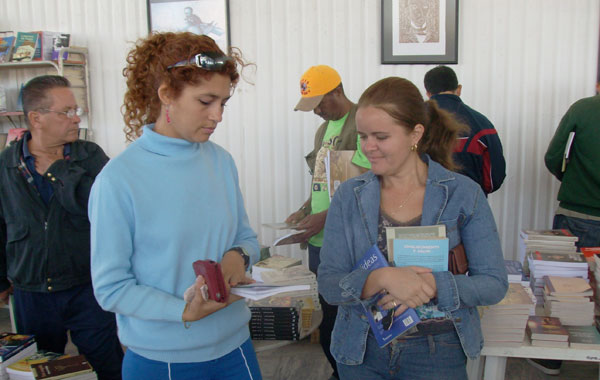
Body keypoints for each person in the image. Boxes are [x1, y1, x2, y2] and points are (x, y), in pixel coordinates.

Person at [88, 32, 262, 380]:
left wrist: (237, 256)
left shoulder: (221, 161)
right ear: (166, 94)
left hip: (236, 347)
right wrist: (182, 311)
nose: (218, 115)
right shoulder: (118, 180)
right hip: (163, 360)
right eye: (206, 101)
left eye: (224, 103)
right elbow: (111, 288)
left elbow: (246, 237)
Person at [318, 77, 508, 379]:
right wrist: (381, 277)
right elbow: (329, 284)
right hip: (362, 350)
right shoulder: (349, 196)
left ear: (415, 134)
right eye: (363, 136)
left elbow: (494, 283)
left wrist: (432, 285)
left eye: (381, 137)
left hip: (437, 353)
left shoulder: (462, 194)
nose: (369, 148)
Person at [0, 75, 123, 380]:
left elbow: (106, 212)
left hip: (87, 286)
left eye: (75, 109)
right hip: (32, 291)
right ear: (36, 118)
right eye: (66, 111)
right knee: (41, 370)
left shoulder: (89, 156)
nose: (76, 118)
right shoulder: (5, 165)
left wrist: (58, 172)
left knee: (108, 365)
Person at [286, 65, 370, 380]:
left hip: (348, 240)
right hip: (321, 240)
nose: (317, 111)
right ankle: (340, 370)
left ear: (338, 91)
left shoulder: (361, 124)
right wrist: (305, 209)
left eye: (321, 103)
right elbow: (323, 181)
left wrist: (324, 218)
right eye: (312, 107)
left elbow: (363, 188)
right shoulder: (324, 131)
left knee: (349, 314)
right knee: (329, 316)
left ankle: (350, 371)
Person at [533, 85, 600, 376]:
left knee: (564, 284)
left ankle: (553, 357)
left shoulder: (583, 108)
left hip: (578, 209)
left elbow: (553, 155)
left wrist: (571, 179)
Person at [424, 65, 506, 195]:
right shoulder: (482, 124)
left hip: (421, 204)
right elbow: (493, 180)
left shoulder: (412, 122)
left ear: (428, 93)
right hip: (469, 203)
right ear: (459, 89)